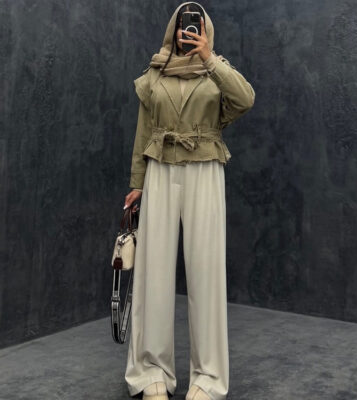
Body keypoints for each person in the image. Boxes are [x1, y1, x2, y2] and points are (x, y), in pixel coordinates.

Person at [123, 2, 255, 399]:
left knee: (206, 271)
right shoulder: (155, 73)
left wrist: (209, 58)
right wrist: (137, 184)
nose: (188, 31)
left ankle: (208, 378)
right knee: (153, 272)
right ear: (173, 28)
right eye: (183, 24)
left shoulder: (217, 70)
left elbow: (245, 100)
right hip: (160, 169)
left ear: (205, 30)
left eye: (195, 25)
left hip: (205, 169)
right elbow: (143, 130)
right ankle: (151, 373)